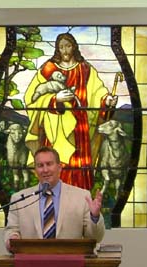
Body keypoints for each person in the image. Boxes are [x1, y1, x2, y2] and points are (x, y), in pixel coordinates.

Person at [24, 32, 118, 190]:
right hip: (54, 125)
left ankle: (80, 202)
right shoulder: (48, 69)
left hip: (79, 126)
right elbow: (32, 98)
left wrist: (106, 101)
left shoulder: (85, 69)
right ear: (57, 49)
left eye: (68, 46)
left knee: (78, 163)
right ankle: (52, 198)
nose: (65, 50)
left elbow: (97, 92)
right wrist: (54, 99)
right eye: (61, 47)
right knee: (56, 161)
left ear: (74, 46)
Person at [4, 146, 105, 252]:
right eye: (40, 165)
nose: (45, 170)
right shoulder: (19, 199)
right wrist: (12, 238)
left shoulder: (81, 197)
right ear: (35, 170)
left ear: (59, 167)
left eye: (49, 164)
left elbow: (96, 238)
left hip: (69, 264)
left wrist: (95, 217)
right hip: (31, 263)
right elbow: (11, 230)